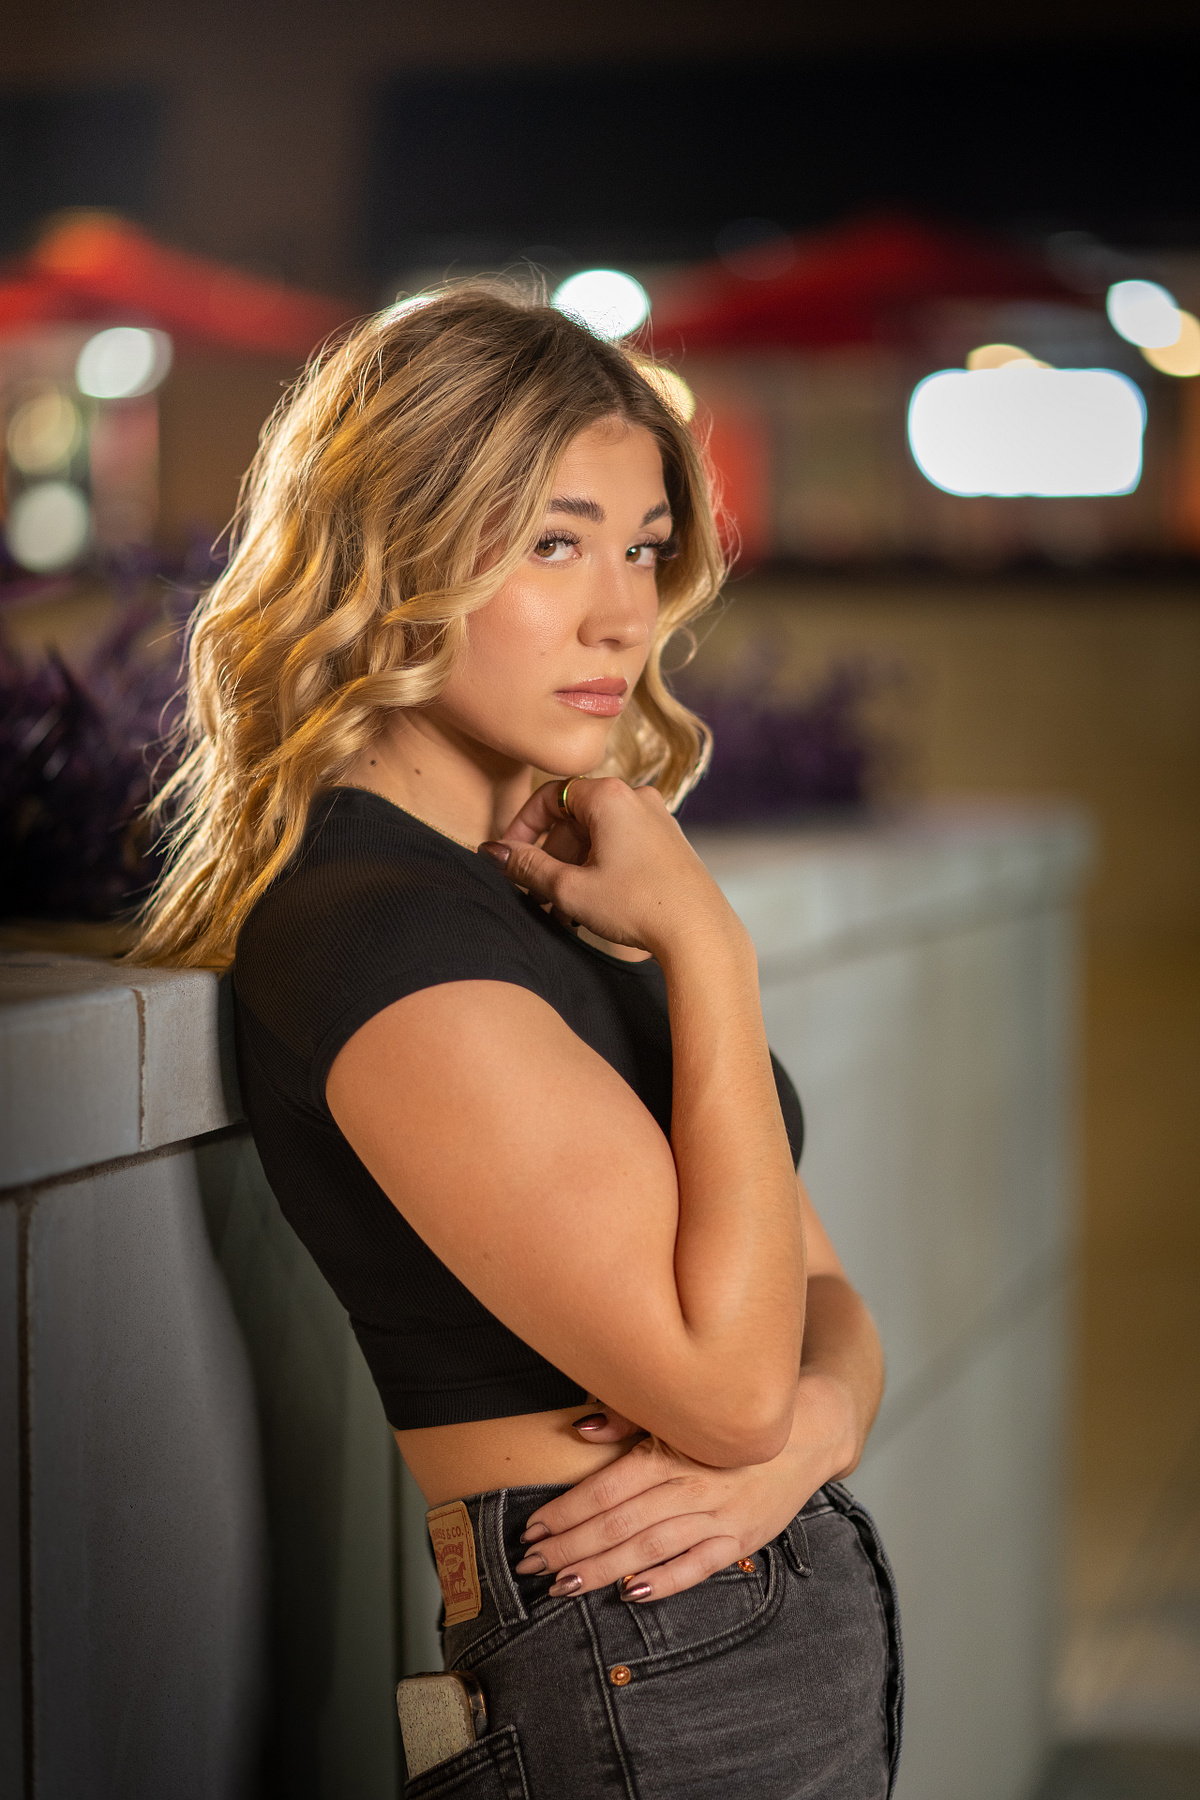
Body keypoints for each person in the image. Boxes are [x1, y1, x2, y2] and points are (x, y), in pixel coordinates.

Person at [136, 285, 901, 1797]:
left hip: (735, 1634)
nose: (623, 611)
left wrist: (815, 1433)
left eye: (642, 547)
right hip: (632, 1663)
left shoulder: (538, 908)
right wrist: (709, 949)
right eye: (555, 543)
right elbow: (729, 1385)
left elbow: (824, 1302)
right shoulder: (376, 932)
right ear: (397, 557)